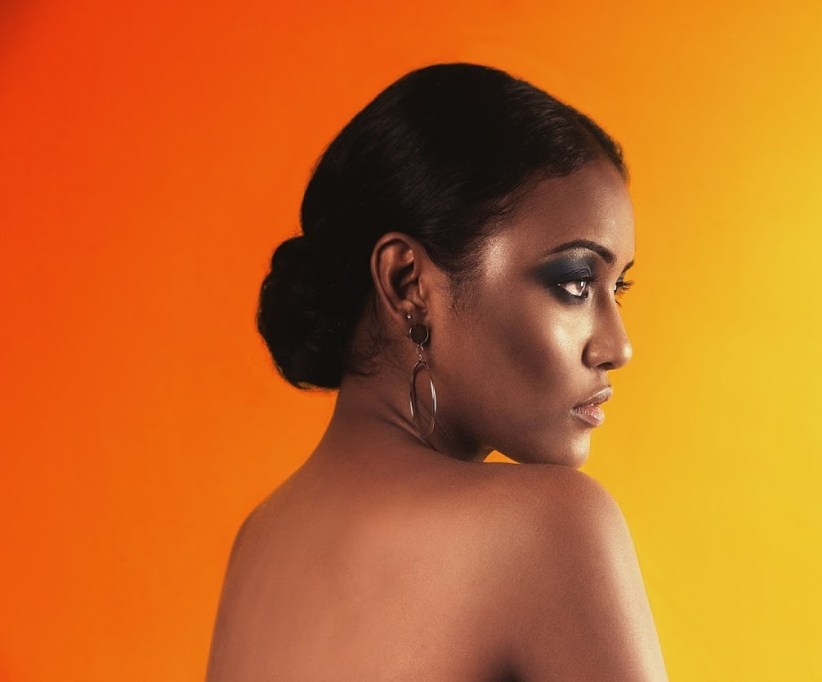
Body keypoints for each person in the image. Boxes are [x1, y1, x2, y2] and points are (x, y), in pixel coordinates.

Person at [205, 62, 668, 681]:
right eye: (575, 282)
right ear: (409, 284)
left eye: (618, 288)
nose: (617, 347)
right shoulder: (550, 526)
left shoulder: (259, 542)